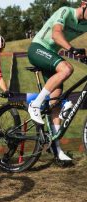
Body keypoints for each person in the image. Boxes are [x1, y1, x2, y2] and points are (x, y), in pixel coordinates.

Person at [27, 2, 87, 162]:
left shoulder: (85, 24)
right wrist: (72, 49)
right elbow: (56, 34)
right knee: (67, 69)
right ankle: (35, 104)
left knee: (56, 102)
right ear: (84, 4)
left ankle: (57, 150)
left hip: (50, 54)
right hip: (38, 48)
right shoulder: (66, 11)